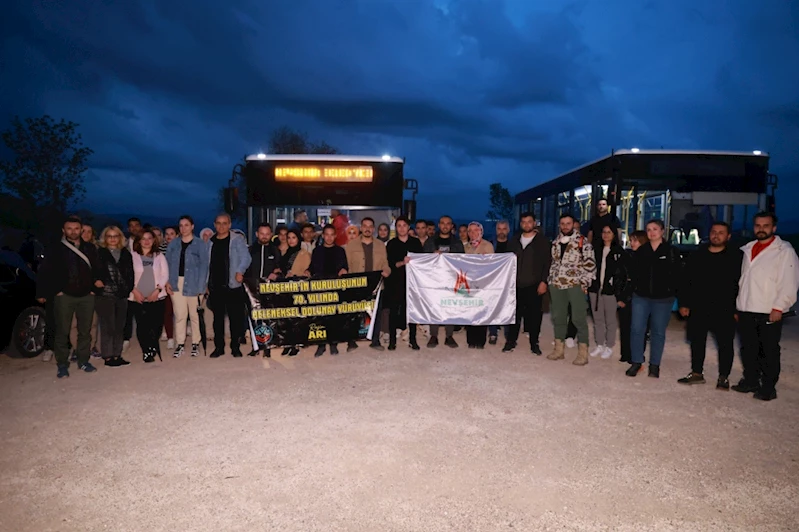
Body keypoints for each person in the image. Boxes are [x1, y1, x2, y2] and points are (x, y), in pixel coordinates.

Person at [732, 212, 799, 400]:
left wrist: (779, 307)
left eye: (766, 225)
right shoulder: (748, 249)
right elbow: (743, 281)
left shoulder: (784, 251)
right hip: (747, 308)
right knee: (748, 349)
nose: (761, 229)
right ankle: (751, 380)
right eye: (758, 225)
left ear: (774, 228)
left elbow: (789, 282)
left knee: (768, 351)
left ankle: (768, 387)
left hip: (768, 311)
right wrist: (739, 306)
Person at [677, 222, 743, 389]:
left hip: (725, 308)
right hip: (699, 306)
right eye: (714, 232)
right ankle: (697, 373)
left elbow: (742, 284)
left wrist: (738, 308)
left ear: (728, 236)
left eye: (721, 233)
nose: (716, 235)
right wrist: (684, 303)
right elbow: (686, 280)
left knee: (725, 344)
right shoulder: (698, 254)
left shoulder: (736, 257)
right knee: (697, 342)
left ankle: (723, 377)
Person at [36, 215, 103, 378]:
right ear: (63, 230)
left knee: (85, 331)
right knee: (62, 331)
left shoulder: (89, 248)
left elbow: (98, 269)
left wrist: (95, 288)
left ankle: (83, 360)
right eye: (69, 228)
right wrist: (45, 292)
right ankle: (62, 364)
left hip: (87, 295)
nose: (73, 232)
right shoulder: (55, 248)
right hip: (64, 295)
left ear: (81, 230)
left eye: (76, 228)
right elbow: (45, 271)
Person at [626, 219, 683, 378]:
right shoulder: (641, 251)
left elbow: (678, 275)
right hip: (641, 297)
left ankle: (655, 365)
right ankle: (636, 362)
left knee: (658, 332)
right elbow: (634, 273)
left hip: (663, 299)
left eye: (655, 229)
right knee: (637, 329)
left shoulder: (671, 251)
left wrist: (676, 295)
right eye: (649, 229)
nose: (652, 232)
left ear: (662, 231)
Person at [547, 214, 596, 365]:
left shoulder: (583, 242)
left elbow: (590, 265)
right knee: (558, 317)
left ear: (574, 224)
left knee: (578, 318)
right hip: (556, 284)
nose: (565, 226)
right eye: (563, 223)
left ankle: (583, 352)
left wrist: (585, 283)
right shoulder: (555, 242)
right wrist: (550, 280)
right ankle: (559, 349)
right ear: (559, 225)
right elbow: (554, 263)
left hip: (575, 284)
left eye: (568, 223)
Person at [207, 213, 252, 358]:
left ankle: (235, 347)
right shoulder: (210, 242)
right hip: (215, 285)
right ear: (214, 224)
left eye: (225, 223)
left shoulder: (237, 240)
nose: (221, 226)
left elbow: (246, 257)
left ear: (230, 224)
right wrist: (206, 283)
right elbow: (206, 264)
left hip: (232, 285)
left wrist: (240, 271)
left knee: (235, 319)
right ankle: (219, 347)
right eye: (219, 223)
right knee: (217, 320)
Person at [505, 212, 551, 354]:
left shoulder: (542, 241)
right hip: (516, 285)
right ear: (520, 224)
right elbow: (506, 262)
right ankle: (511, 341)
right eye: (524, 222)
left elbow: (547, 263)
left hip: (534, 284)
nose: (526, 224)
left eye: (529, 222)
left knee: (535, 316)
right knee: (514, 316)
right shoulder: (513, 241)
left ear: (534, 223)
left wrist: (544, 282)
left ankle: (534, 343)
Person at [344, 217, 391, 351]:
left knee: (376, 313)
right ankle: (351, 341)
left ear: (373, 229)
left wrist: (387, 270)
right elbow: (346, 265)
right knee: (353, 313)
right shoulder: (351, 245)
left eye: (370, 226)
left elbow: (385, 263)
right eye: (365, 226)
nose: (367, 229)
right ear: (361, 228)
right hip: (356, 284)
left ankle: (375, 341)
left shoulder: (380, 245)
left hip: (376, 285)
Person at [165, 215, 208, 357]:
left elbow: (204, 266)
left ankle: (196, 343)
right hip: (177, 282)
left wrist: (202, 286)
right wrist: (167, 282)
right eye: (181, 225)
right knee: (180, 315)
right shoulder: (173, 244)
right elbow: (168, 264)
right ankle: (180, 343)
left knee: (195, 315)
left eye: (186, 225)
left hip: (195, 283)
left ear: (192, 226)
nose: (183, 228)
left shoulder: (200, 244)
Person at [423, 215, 465, 348]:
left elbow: (462, 262)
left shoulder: (457, 242)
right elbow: (423, 260)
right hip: (434, 280)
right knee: (434, 306)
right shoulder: (430, 241)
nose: (445, 226)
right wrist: (432, 255)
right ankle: (433, 336)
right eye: (443, 223)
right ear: (439, 225)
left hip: (451, 279)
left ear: (452, 226)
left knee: (450, 307)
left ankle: (449, 336)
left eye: (448, 223)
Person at [95, 226, 134, 367]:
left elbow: (130, 274)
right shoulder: (100, 253)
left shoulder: (125, 253)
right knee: (107, 326)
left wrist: (128, 288)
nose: (112, 239)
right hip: (105, 294)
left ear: (120, 237)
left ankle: (117, 354)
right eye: (109, 236)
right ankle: (107, 356)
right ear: (105, 238)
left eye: (115, 235)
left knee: (119, 326)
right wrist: (97, 282)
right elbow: (94, 271)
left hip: (122, 294)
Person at [588, 226, 628, 359]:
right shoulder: (596, 250)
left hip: (610, 291)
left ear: (614, 235)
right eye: (603, 232)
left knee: (610, 319)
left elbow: (621, 274)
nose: (606, 235)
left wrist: (618, 291)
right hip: (595, 289)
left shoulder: (619, 252)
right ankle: (599, 344)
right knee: (597, 319)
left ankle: (609, 346)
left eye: (609, 232)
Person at [130, 229, 169, 363]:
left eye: (149, 238)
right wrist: (134, 291)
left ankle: (152, 345)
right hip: (137, 296)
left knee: (157, 324)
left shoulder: (159, 256)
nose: (146, 241)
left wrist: (157, 290)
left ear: (154, 240)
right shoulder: (132, 256)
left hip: (156, 295)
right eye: (143, 238)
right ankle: (146, 351)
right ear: (139, 241)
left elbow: (165, 274)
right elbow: (127, 275)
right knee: (142, 325)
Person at [309, 224, 348, 357]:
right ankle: (321, 345)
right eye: (327, 235)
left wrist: (344, 270)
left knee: (334, 316)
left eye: (332, 235)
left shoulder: (340, 251)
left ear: (335, 236)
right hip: (320, 287)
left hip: (335, 287)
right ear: (323, 236)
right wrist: (307, 271)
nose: (329, 237)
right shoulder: (317, 251)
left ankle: (333, 344)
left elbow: (345, 267)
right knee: (321, 317)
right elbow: (312, 267)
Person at [386, 216, 423, 350]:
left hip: (412, 283)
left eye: (404, 225)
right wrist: (403, 262)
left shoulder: (416, 243)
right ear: (396, 228)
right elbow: (390, 263)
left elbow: (422, 261)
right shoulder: (391, 244)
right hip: (395, 283)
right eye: (399, 226)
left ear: (408, 227)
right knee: (394, 312)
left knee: (412, 312)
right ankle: (392, 341)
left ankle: (413, 340)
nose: (402, 228)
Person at [618, 230, 648, 363]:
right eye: (631, 240)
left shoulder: (646, 258)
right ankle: (626, 354)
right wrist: (621, 297)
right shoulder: (627, 256)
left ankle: (637, 355)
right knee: (625, 326)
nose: (632, 243)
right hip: (627, 296)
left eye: (635, 240)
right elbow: (622, 279)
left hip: (641, 297)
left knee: (639, 328)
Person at [464, 222, 494, 348]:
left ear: (481, 231)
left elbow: (493, 264)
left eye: (475, 230)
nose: (472, 233)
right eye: (470, 231)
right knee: (470, 311)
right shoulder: (466, 247)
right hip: (469, 285)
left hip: (483, 284)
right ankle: (471, 340)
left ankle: (480, 341)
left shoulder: (488, 246)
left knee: (481, 311)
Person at [489, 219, 512, 345]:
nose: (501, 231)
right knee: (492, 307)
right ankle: (493, 333)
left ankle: (508, 334)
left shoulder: (514, 244)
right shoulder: (491, 244)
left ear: (508, 230)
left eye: (504, 229)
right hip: (494, 282)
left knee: (508, 307)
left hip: (509, 282)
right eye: (499, 229)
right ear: (496, 230)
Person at [161, 226, 177, 347]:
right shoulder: (160, 250)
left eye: (172, 233)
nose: (169, 236)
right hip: (164, 284)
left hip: (179, 283)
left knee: (181, 312)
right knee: (167, 311)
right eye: (167, 233)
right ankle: (170, 336)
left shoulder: (181, 247)